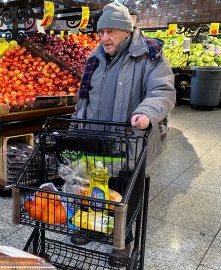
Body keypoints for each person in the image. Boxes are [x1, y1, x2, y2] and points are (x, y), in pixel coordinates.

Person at [72, 1, 176, 258]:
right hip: (96, 139)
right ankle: (91, 228)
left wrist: (146, 113)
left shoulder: (149, 55)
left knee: (125, 191)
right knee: (92, 186)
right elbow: (84, 99)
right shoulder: (94, 59)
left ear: (126, 32)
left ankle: (123, 239)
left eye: (111, 32)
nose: (104, 37)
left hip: (131, 140)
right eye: (101, 32)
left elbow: (162, 90)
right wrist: (76, 129)